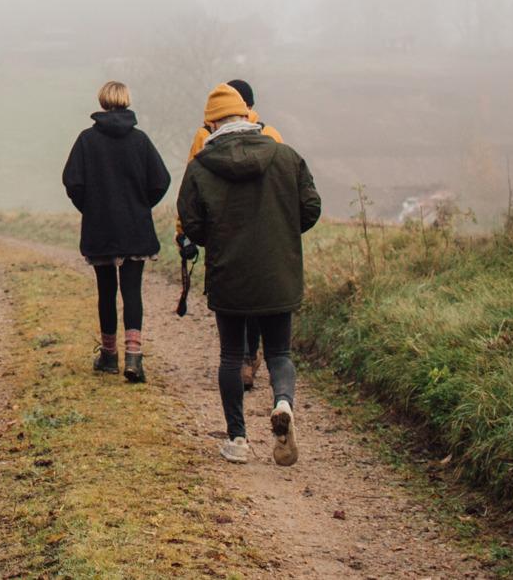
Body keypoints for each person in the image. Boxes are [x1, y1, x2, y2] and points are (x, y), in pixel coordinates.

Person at [177, 82, 321, 467]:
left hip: (230, 274)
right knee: (278, 352)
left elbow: (191, 223)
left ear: (212, 123)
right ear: (247, 115)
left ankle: (238, 439)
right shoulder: (286, 156)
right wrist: (282, 236)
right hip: (279, 272)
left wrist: (219, 242)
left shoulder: (200, 167)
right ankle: (283, 403)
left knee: (230, 355)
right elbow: (310, 208)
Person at [60, 81, 171, 383]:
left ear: (102, 101)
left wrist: (91, 208)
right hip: (135, 228)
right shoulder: (141, 141)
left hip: (101, 228)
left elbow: (73, 182)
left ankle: (109, 356)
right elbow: (161, 180)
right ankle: (134, 357)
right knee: (132, 291)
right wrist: (140, 205)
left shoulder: (86, 141)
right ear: (126, 101)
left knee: (106, 292)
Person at [181, 79, 284, 394]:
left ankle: (241, 361)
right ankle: (253, 360)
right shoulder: (271, 137)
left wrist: (187, 233)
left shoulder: (205, 137)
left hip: (224, 235)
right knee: (258, 301)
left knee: (233, 301)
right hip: (267, 235)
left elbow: (190, 193)